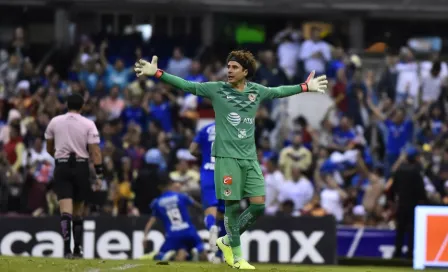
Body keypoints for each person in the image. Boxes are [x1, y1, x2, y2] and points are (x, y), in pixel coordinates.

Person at [134, 50, 328, 269]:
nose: (229, 70)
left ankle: (226, 239)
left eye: (235, 67)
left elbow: (279, 91)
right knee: (232, 208)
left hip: (250, 158)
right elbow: (187, 85)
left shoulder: (257, 91)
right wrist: (158, 73)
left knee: (258, 206)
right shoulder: (217, 90)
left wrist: (304, 87)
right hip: (226, 159)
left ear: (245, 71)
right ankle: (237, 257)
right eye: (228, 67)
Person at [44, 93, 103, 259]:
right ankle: (78, 248)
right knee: (78, 212)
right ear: (82, 107)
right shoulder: (88, 124)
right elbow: (95, 152)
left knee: (65, 211)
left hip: (62, 165)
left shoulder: (55, 121)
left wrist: (58, 156)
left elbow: (49, 147)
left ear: (66, 105)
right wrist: (99, 174)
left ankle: (66, 250)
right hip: (81, 166)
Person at [142, 173, 206, 262]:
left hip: (173, 235)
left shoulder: (157, 202)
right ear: (170, 184)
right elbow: (198, 206)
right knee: (202, 254)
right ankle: (193, 255)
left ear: (159, 187)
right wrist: (208, 212)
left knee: (167, 256)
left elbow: (151, 221)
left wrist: (145, 236)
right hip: (189, 231)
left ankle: (163, 256)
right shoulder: (181, 196)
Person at [189, 122, 226, 262]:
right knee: (223, 215)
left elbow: (192, 150)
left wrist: (204, 154)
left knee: (210, 211)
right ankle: (219, 255)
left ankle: (211, 227)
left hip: (208, 173)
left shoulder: (205, 129)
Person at [390, 146, 428, 259]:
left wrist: (392, 200)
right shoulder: (416, 171)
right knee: (412, 230)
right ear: (416, 158)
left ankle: (397, 254)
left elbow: (393, 188)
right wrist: (425, 201)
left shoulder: (399, 170)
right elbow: (421, 190)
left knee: (400, 230)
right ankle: (410, 254)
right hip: (413, 205)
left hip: (401, 204)